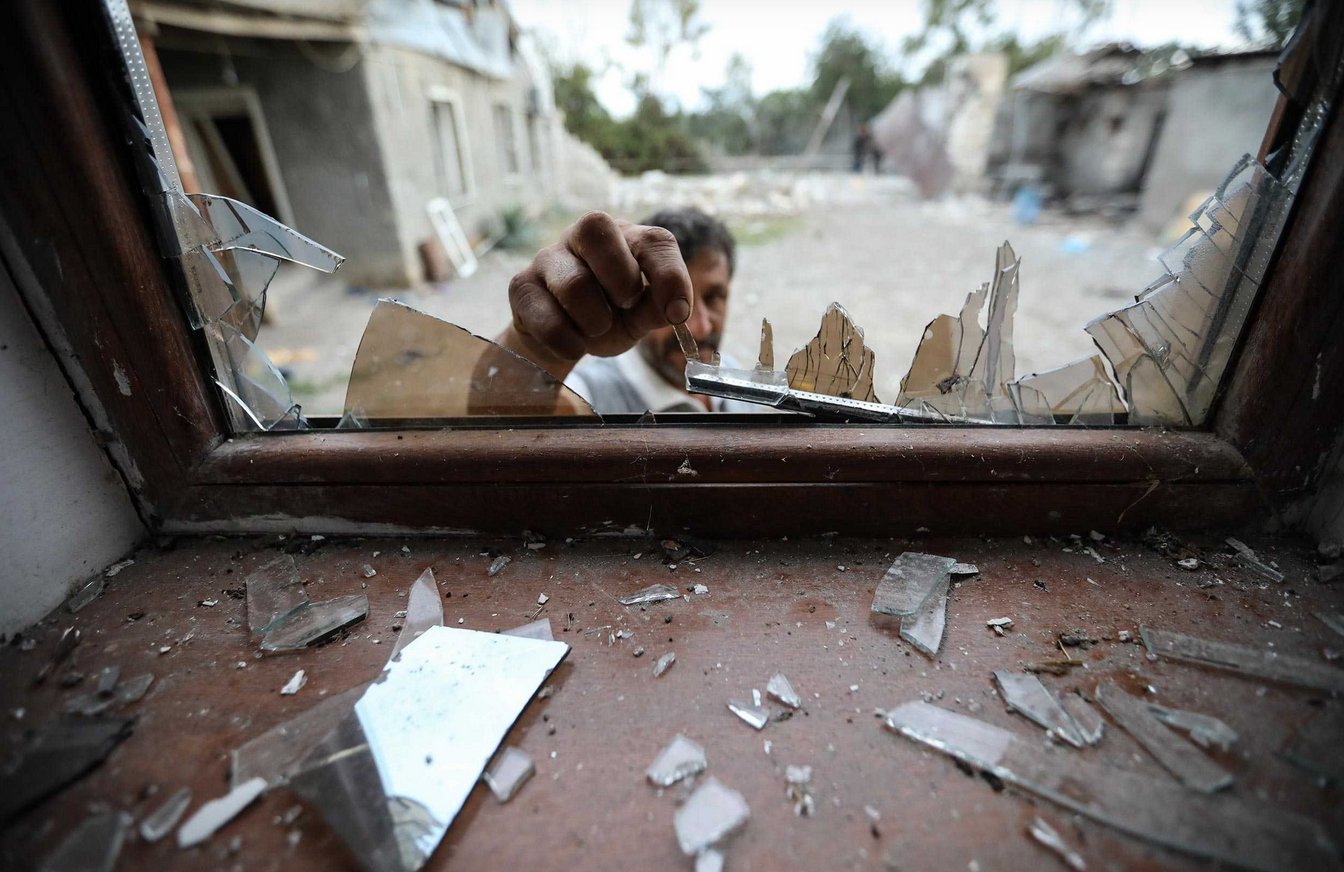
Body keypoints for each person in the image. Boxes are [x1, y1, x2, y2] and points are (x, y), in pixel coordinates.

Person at [484, 206, 761, 414]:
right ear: (636, 295)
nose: (701, 327)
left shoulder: (733, 377)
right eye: (673, 302)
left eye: (714, 298)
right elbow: (495, 429)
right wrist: (531, 351)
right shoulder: (588, 395)